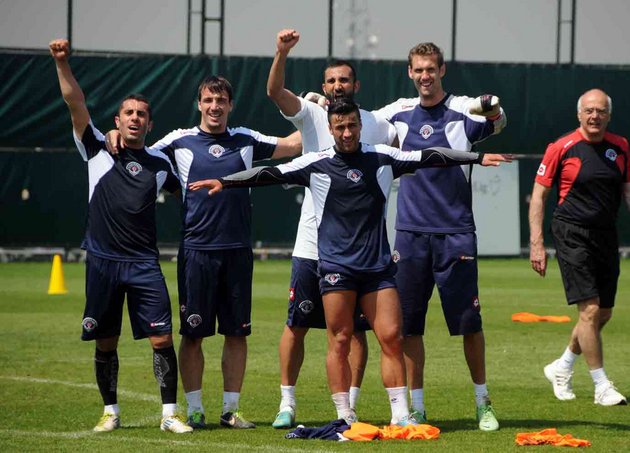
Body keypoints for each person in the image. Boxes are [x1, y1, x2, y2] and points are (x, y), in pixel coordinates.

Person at [188, 98, 510, 426]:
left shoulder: (383, 156)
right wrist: (226, 181)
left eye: (352, 125)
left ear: (360, 125)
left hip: (378, 269)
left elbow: (431, 156)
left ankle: (400, 414)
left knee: (391, 336)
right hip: (337, 270)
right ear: (330, 129)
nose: (346, 133)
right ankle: (344, 414)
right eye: (340, 127)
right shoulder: (316, 162)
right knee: (340, 339)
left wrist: (477, 157)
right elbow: (269, 173)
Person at [107, 75, 302, 429]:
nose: (215, 106)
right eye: (209, 100)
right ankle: (195, 409)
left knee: (237, 333)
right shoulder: (178, 141)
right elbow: (140, 149)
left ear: (230, 105)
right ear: (199, 104)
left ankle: (230, 410)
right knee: (193, 334)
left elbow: (292, 145)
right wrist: (113, 134)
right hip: (196, 252)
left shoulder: (245, 138)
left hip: (237, 251)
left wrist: (314, 112)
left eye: (221, 100)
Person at [49, 39, 192, 433]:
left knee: (162, 338)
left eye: (141, 114)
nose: (135, 118)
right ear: (117, 120)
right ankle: (110, 411)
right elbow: (75, 102)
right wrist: (61, 63)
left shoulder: (161, 163)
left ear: (150, 124)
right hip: (103, 262)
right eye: (128, 113)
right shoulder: (97, 146)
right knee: (106, 341)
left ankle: (169, 414)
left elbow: (190, 194)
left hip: (144, 264)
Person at [265, 28, 397, 428]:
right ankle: (287, 403)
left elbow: (397, 159)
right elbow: (275, 91)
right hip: (312, 245)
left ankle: (349, 406)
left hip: (361, 250)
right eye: (331, 80)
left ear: (356, 85)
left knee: (356, 333)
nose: (338, 85)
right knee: (297, 325)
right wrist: (281, 53)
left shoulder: (378, 124)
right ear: (323, 87)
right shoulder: (311, 114)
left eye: (344, 79)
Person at [375, 42, 507, 431]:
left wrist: (492, 106)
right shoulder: (398, 112)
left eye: (430, 69)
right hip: (410, 235)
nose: (425, 76)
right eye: (418, 70)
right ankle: (416, 407)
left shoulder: (462, 108)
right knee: (408, 327)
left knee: (470, 324)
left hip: (456, 234)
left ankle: (483, 403)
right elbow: (361, 122)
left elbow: (498, 121)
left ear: (442, 70)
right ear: (410, 72)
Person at [529, 88, 628, 406]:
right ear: (579, 114)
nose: (594, 116)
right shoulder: (561, 147)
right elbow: (539, 196)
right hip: (571, 232)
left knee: (604, 313)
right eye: (589, 110)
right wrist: (537, 243)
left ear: (609, 115)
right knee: (590, 310)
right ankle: (601, 386)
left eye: (600, 111)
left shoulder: (621, 147)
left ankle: (562, 365)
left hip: (606, 235)